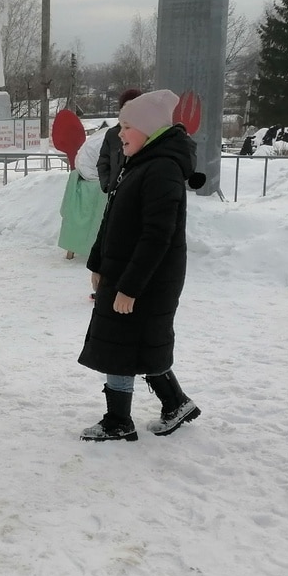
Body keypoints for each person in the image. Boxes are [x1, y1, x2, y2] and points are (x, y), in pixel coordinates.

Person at [77, 89, 204, 441]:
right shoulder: (140, 163)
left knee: (122, 346)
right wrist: (98, 263)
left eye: (127, 126)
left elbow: (156, 237)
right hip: (125, 271)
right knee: (136, 344)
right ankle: (174, 403)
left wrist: (130, 288)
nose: (119, 133)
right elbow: (112, 218)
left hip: (146, 280)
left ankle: (119, 420)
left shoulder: (161, 169)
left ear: (148, 130)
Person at [57, 121, 108, 261]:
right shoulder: (110, 140)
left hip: (84, 171)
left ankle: (72, 250)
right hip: (93, 174)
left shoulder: (103, 138)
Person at [96, 87, 142, 194]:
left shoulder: (147, 133)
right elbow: (103, 161)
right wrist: (107, 184)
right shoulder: (112, 134)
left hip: (140, 193)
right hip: (116, 193)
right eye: (126, 107)